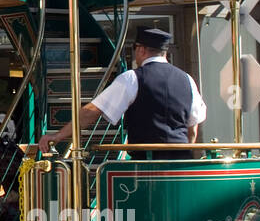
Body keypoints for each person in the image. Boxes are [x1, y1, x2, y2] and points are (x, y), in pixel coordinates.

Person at [38, 26, 205, 160]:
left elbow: (91, 112)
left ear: (141, 50)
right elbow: (193, 129)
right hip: (182, 163)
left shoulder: (133, 78)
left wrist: (58, 135)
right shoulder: (187, 80)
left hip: (146, 164)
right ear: (164, 52)